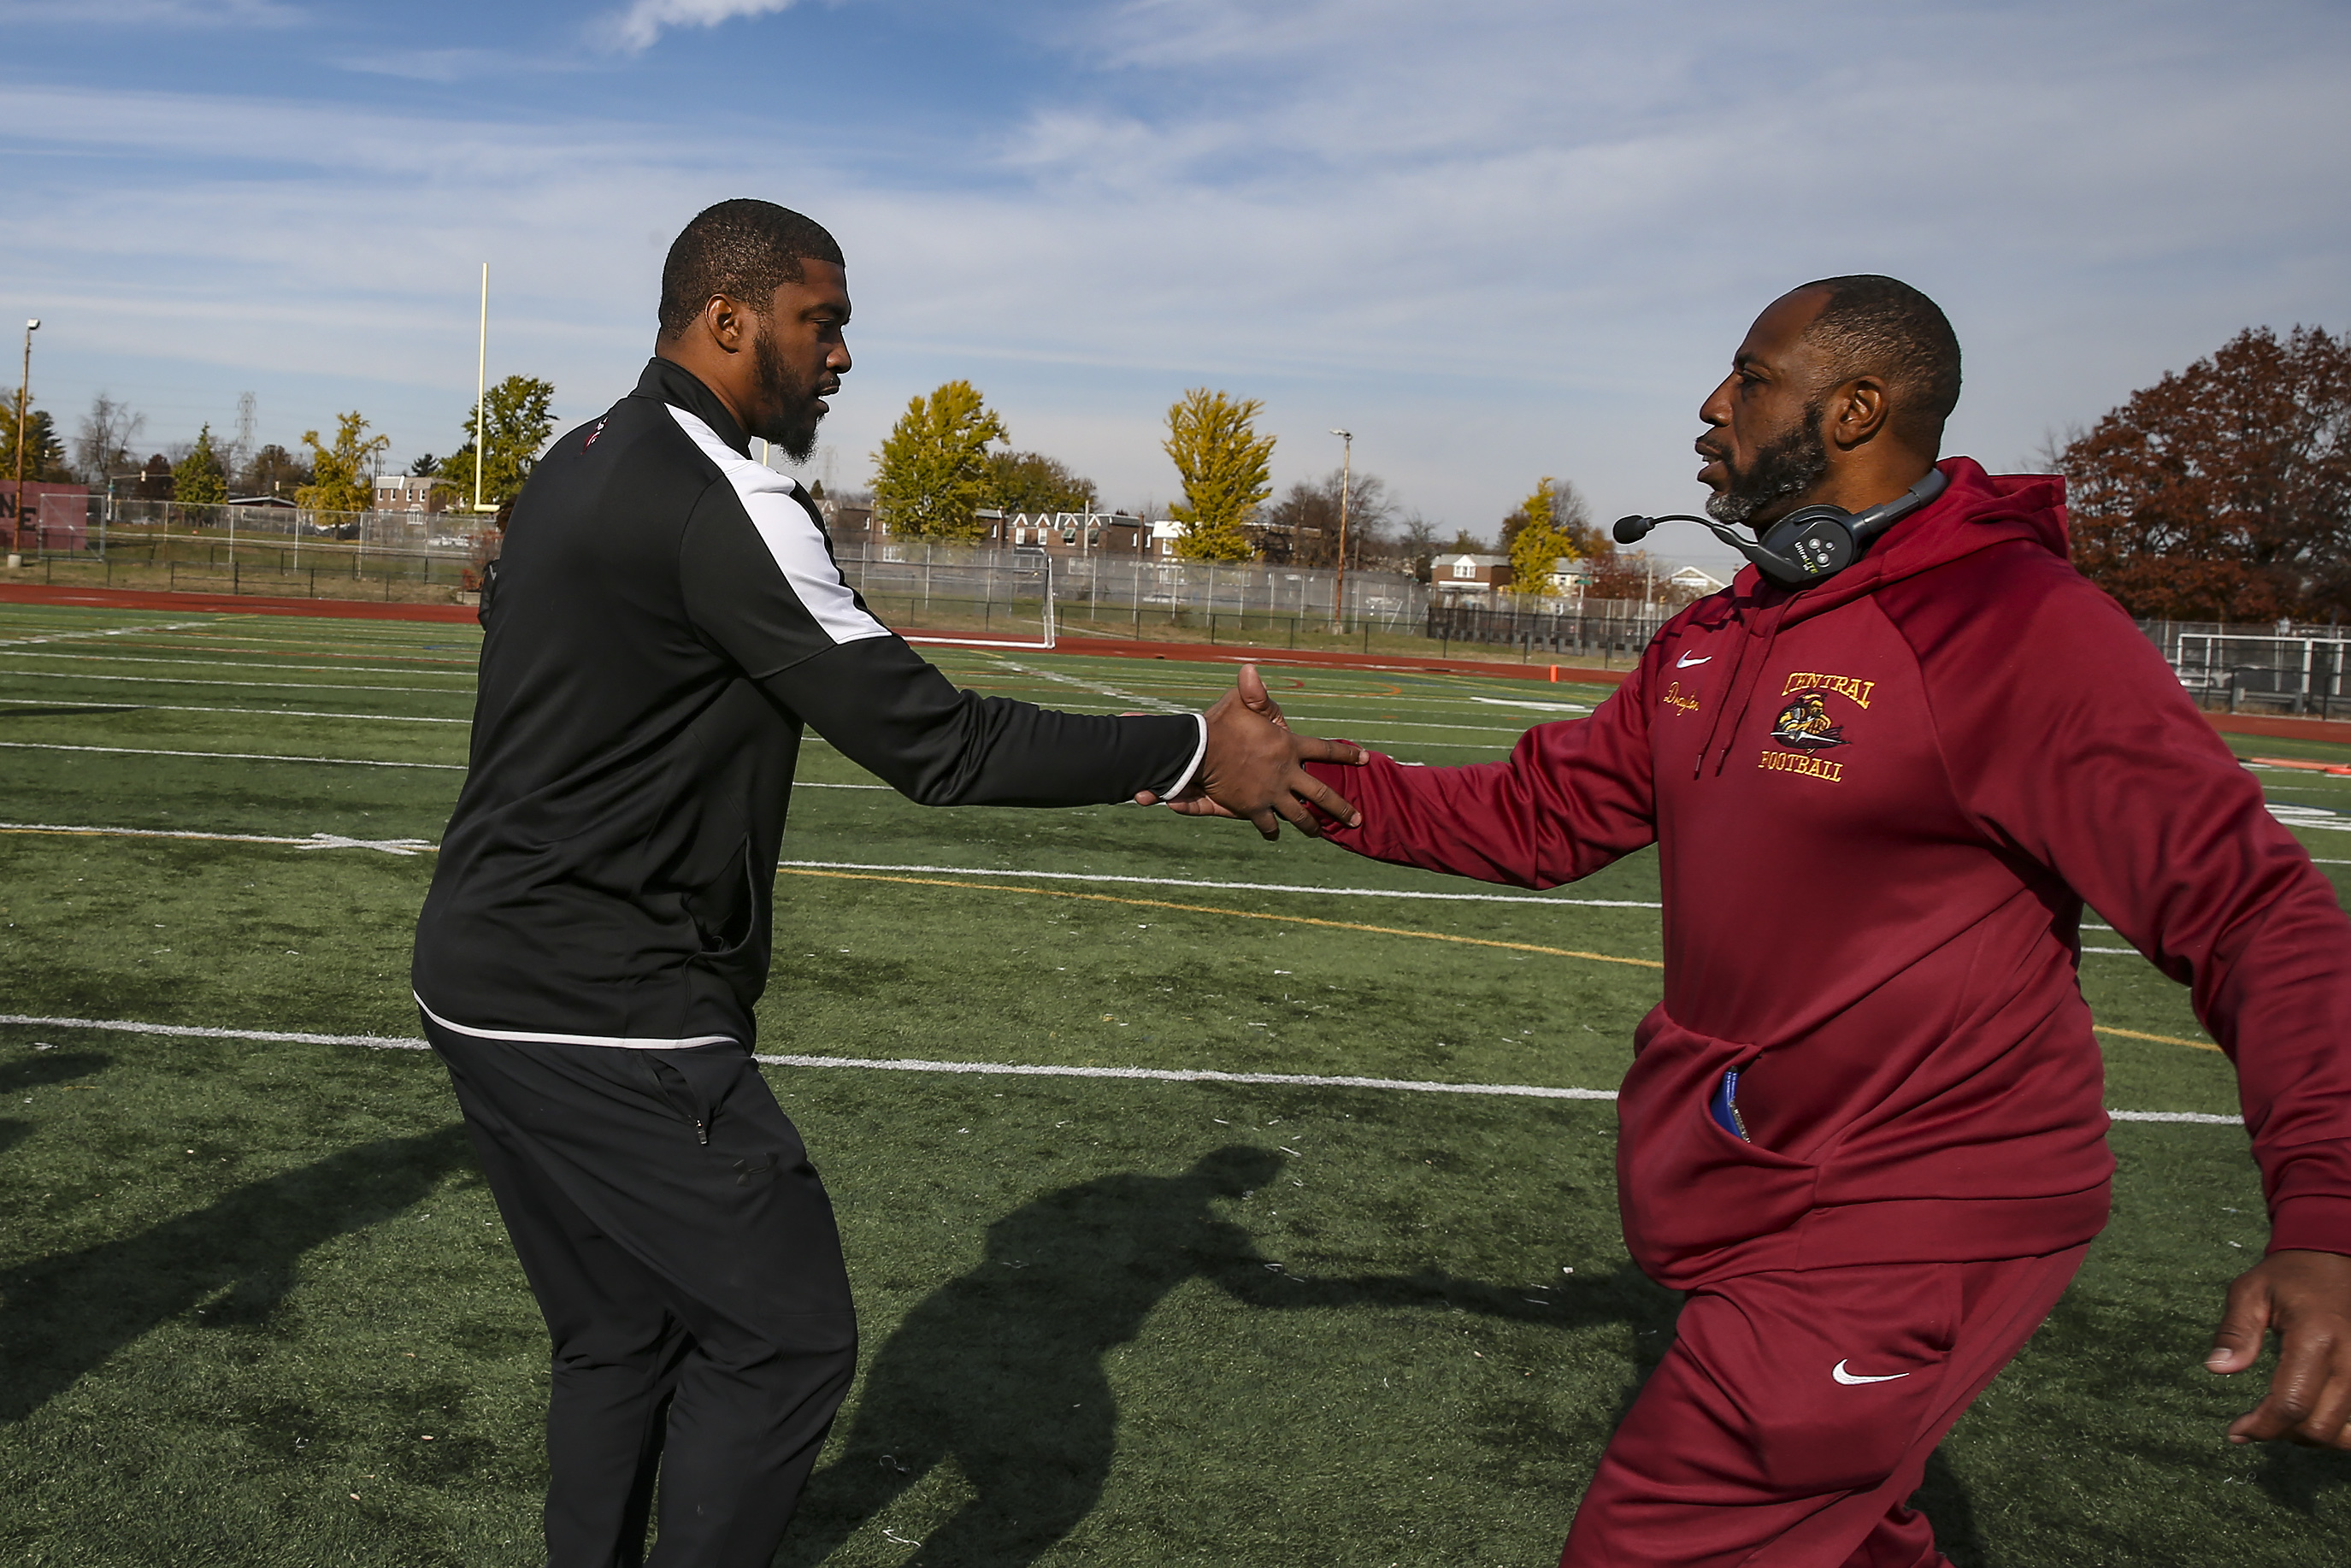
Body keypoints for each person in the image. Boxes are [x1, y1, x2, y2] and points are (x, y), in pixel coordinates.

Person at [1216, 274, 2351, 1565]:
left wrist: (2326, 1215)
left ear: (1855, 407)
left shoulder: (2017, 630)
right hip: (1756, 1179)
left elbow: (2256, 913)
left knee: (1660, 1539)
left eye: (1750, 376)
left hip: (1916, 1200)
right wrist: (1302, 785)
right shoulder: (1721, 629)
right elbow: (1542, 812)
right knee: (1849, 1533)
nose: (1712, 405)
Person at [409, 197, 1362, 1568]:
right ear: (728, 321)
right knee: (786, 1336)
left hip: (477, 971)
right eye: (824, 322)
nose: (844, 356)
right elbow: (940, 744)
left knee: (617, 1332)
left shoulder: (577, 455)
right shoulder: (721, 498)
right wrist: (1198, 742)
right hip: (603, 995)